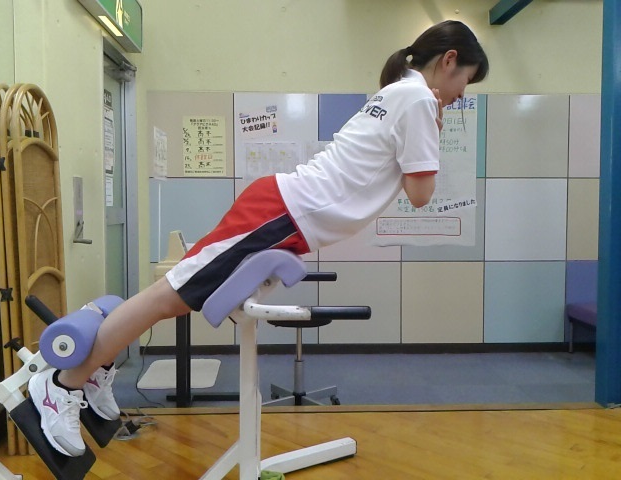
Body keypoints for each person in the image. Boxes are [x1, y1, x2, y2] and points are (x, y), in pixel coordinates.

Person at [28, 19, 489, 457]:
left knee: (174, 300)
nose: (461, 94)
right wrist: (435, 131)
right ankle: (62, 384)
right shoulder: (420, 101)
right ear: (449, 60)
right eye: (466, 80)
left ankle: (94, 371)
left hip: (284, 213)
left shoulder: (398, 90)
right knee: (168, 297)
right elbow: (421, 194)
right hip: (281, 213)